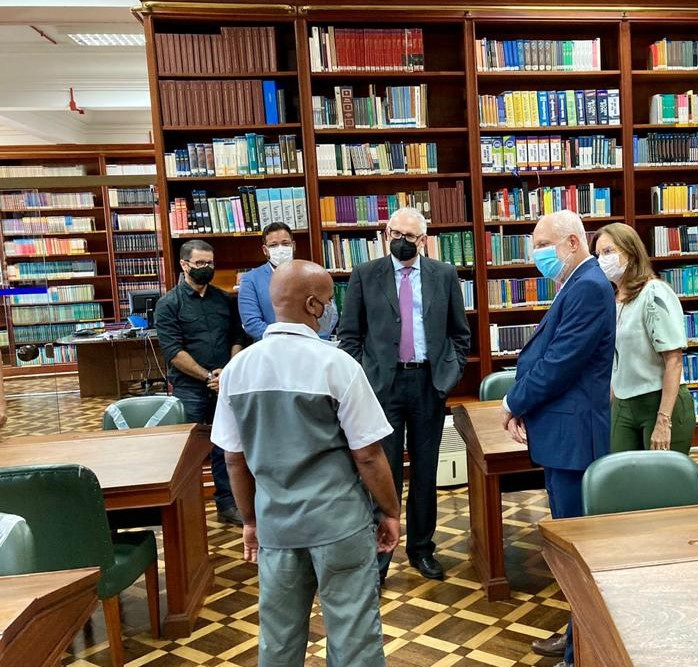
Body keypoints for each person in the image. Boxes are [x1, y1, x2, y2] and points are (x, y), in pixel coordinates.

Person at [212, 259, 400, 666]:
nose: (332, 308)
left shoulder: (237, 370)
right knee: (354, 635)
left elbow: (233, 460)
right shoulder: (337, 365)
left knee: (278, 637)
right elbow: (367, 454)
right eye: (330, 300)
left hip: (277, 526)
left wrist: (250, 521)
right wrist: (390, 510)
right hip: (339, 524)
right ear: (314, 306)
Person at [501, 210, 615, 667]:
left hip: (575, 438)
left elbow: (560, 362)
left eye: (542, 245)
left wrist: (513, 402)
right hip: (562, 431)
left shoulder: (588, 285)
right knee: (568, 545)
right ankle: (574, 635)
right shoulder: (578, 281)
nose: (536, 255)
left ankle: (580, 650)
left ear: (571, 242)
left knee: (575, 549)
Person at [338, 206, 471, 584]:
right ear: (385, 233)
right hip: (383, 386)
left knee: (426, 472)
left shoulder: (443, 274)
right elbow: (350, 335)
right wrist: (366, 378)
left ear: (423, 241)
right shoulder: (365, 275)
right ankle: (380, 558)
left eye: (409, 236)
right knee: (385, 472)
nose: (400, 241)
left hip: (429, 383)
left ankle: (422, 549)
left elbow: (459, 334)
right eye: (395, 233)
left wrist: (450, 373)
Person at [155, 239, 245, 525]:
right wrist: (207, 376)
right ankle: (186, 508)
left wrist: (226, 373)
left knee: (226, 447)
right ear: (184, 265)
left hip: (224, 385)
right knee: (189, 452)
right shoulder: (168, 304)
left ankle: (228, 505)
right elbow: (173, 351)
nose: (207, 268)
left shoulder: (224, 300)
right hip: (190, 389)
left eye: (210, 263)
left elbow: (237, 338)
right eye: (200, 263)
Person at [593, 223, 696, 454]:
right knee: (622, 478)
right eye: (598, 254)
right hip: (623, 402)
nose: (601, 260)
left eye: (608, 252)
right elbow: (616, 361)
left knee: (661, 484)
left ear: (631, 251)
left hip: (659, 402)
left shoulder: (654, 293)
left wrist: (663, 421)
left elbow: (674, 360)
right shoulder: (611, 300)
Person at [238, 222, 296, 342]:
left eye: (285, 243)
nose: (280, 249)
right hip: (270, 349)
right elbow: (252, 323)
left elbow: (328, 315)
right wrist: (285, 342)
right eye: (274, 245)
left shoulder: (311, 273)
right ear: (265, 250)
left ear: (293, 245)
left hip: (309, 348)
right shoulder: (250, 280)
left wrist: (310, 341)